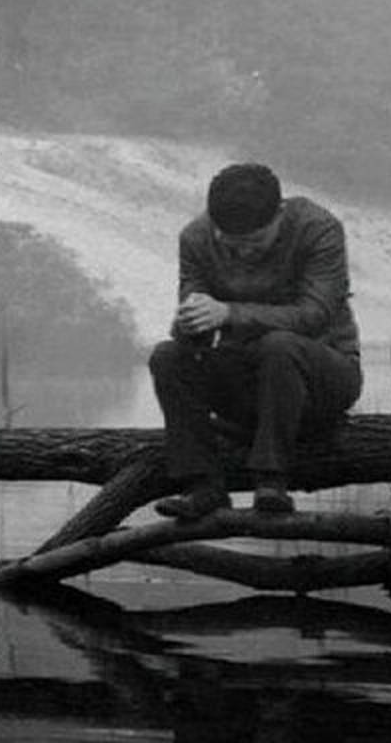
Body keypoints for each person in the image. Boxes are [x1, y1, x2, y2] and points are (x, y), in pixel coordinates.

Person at [149, 163, 362, 519]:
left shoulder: (317, 228)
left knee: (279, 345)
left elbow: (315, 315)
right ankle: (201, 485)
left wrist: (230, 313)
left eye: (254, 243)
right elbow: (194, 328)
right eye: (231, 246)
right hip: (246, 381)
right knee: (167, 357)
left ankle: (271, 480)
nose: (243, 254)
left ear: (279, 214)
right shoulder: (195, 238)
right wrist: (189, 322)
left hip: (323, 377)